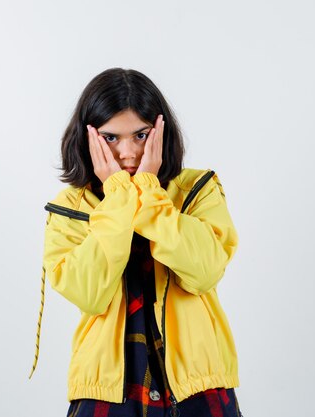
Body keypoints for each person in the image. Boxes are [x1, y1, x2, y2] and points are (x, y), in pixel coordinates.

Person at [29, 67, 244, 417]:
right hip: (107, 392)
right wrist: (118, 197)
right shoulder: (70, 207)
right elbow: (88, 292)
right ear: (88, 139)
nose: (127, 153)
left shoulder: (198, 189)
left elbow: (204, 272)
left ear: (160, 131)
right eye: (111, 138)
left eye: (141, 135)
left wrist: (147, 189)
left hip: (198, 388)